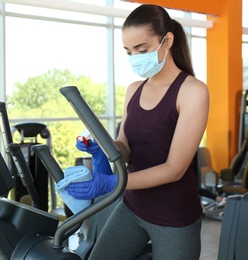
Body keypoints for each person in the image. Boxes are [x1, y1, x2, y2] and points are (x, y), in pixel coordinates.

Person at [64, 4, 209, 259]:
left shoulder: (192, 91)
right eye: (129, 51)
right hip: (132, 206)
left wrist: (111, 183)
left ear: (168, 40)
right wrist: (106, 148)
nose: (135, 58)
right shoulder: (134, 90)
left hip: (174, 215)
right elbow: (126, 148)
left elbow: (174, 169)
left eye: (142, 50)